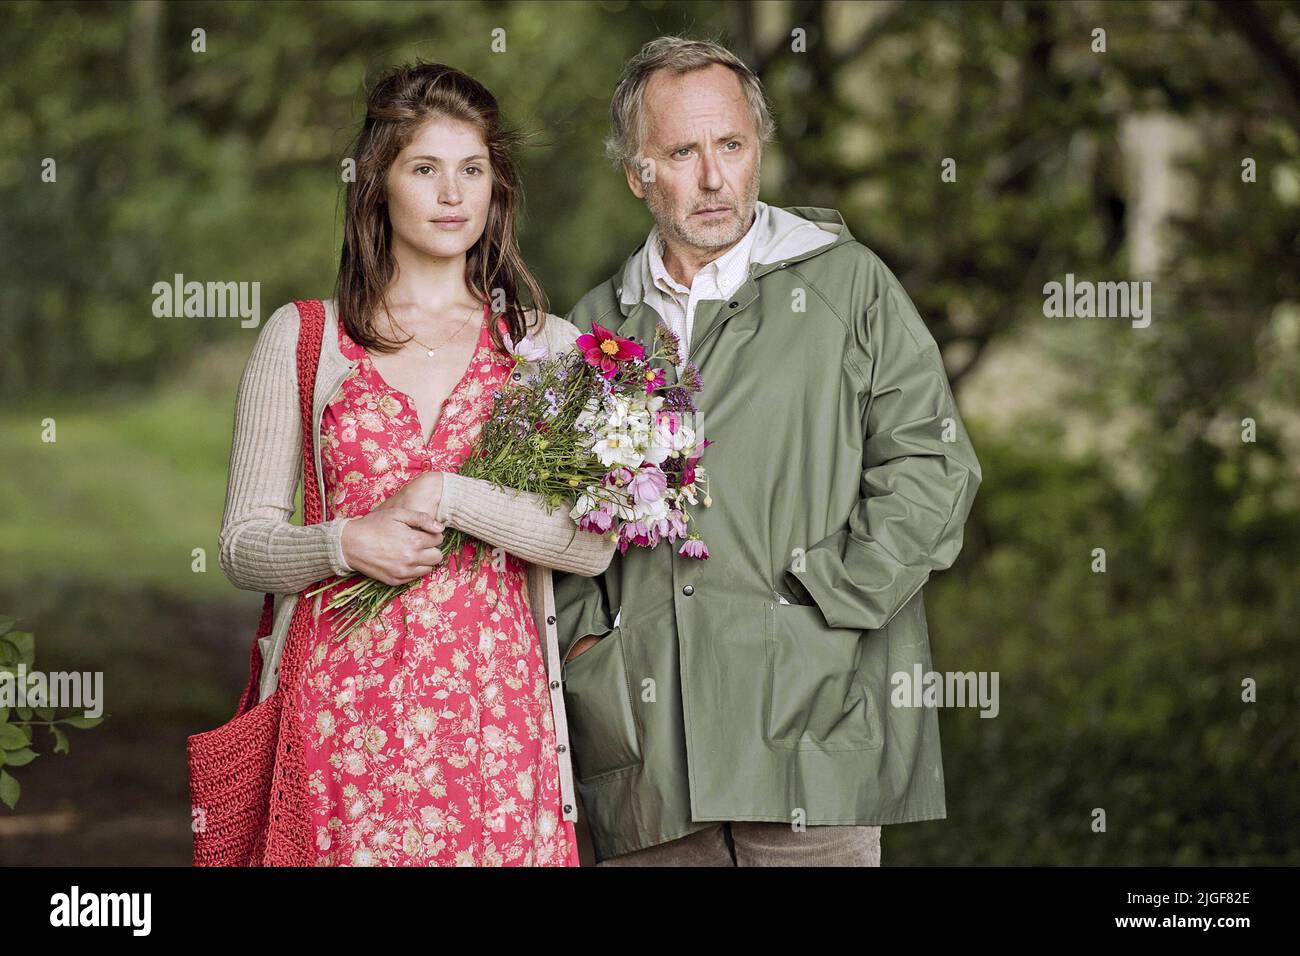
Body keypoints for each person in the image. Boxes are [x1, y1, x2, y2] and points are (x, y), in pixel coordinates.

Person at [553, 36, 982, 866]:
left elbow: (932, 465)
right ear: (636, 171)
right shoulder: (597, 324)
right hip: (647, 751)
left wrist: (831, 600)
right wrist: (587, 651)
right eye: (682, 152)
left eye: (733, 146)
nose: (714, 179)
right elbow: (560, 515)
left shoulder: (848, 284)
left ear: (759, 151)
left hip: (812, 724)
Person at [218, 61, 614, 866]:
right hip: (337, 727)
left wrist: (449, 494)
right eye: (424, 169)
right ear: (378, 183)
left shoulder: (545, 348)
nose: (451, 194)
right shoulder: (304, 339)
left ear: (496, 188)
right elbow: (241, 545)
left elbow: (590, 543)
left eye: (472, 170)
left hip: (497, 733)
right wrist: (343, 544)